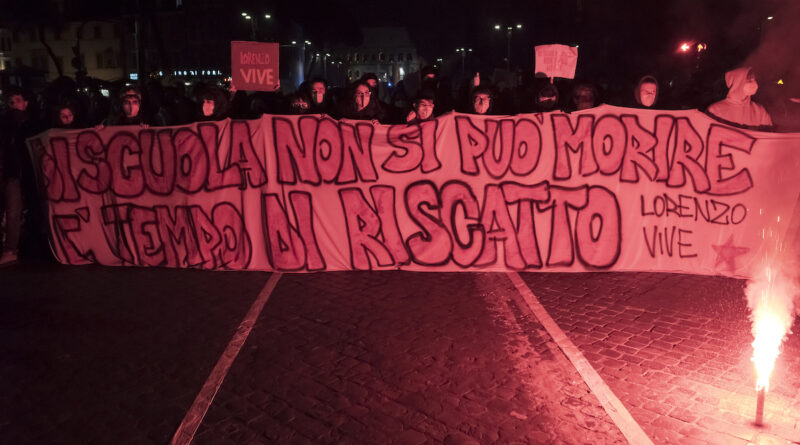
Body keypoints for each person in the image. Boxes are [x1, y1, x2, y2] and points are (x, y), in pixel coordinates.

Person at [0, 86, 44, 265]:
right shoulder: (4, 125)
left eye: (17, 101)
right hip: (13, 173)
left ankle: (33, 246)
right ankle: (11, 249)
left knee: (34, 209)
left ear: (25, 103)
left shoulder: (34, 124)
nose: (13, 105)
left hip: (31, 172)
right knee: (13, 210)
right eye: (10, 102)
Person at [706, 67, 773, 130]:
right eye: (749, 80)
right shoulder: (715, 110)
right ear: (738, 82)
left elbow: (769, 136)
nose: (754, 83)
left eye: (754, 79)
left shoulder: (759, 111)